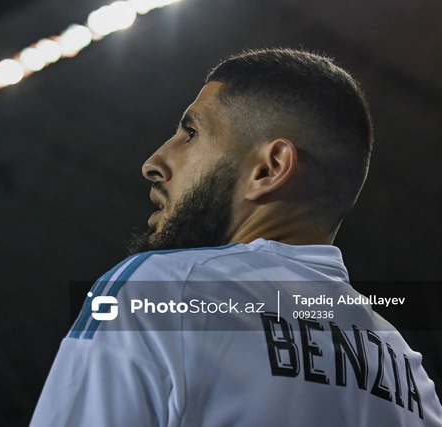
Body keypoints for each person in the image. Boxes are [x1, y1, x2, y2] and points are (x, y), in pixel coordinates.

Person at [29, 48, 442, 426]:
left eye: (190, 133)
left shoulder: (162, 290)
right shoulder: (408, 372)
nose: (154, 162)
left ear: (269, 169)